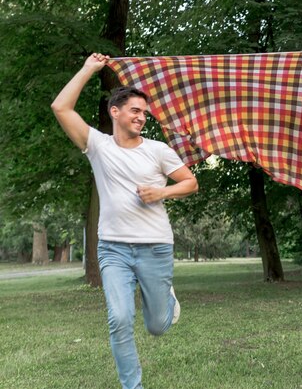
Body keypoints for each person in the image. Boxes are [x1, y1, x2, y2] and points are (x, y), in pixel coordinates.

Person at [51, 53, 199, 389]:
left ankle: (166, 297)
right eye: (135, 110)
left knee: (158, 327)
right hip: (113, 249)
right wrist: (89, 69)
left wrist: (161, 193)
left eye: (145, 112)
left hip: (156, 248)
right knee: (119, 319)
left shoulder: (158, 150)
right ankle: (133, 386)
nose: (142, 117)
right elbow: (61, 107)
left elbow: (190, 182)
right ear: (114, 112)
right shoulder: (97, 146)